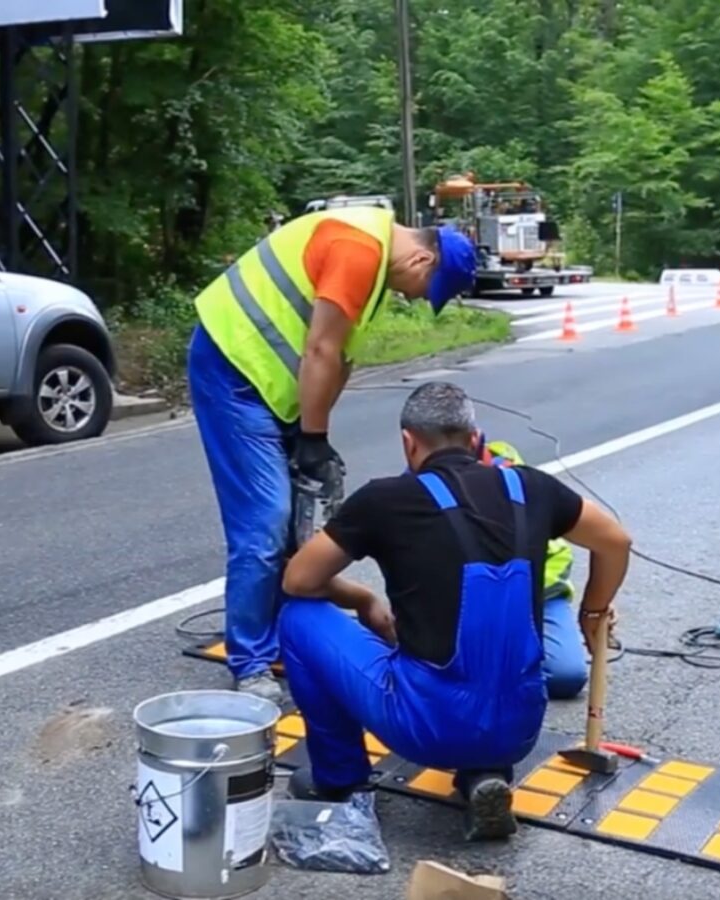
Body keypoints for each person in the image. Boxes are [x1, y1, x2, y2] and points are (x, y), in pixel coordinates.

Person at [278, 382, 632, 840]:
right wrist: (593, 610)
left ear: (409, 442)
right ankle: (484, 774)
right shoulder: (530, 486)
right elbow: (616, 541)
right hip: (519, 729)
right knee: (493, 664)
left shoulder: (385, 500)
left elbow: (298, 580)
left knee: (298, 619)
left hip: (426, 729)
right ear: (475, 438)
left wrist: (363, 600)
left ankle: (340, 779)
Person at [187, 206, 477, 704]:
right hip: (233, 371)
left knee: (295, 521)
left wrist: (311, 437)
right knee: (265, 521)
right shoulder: (357, 248)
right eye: (423, 290)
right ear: (424, 259)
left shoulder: (376, 265)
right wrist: (313, 438)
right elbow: (319, 349)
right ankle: (251, 662)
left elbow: (339, 360)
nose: (413, 298)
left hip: (268, 385)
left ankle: (280, 626)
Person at [475, 436, 590, 700]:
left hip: (539, 595)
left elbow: (611, 540)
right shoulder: (421, 483)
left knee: (566, 675)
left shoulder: (509, 473)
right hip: (472, 600)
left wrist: (596, 608)